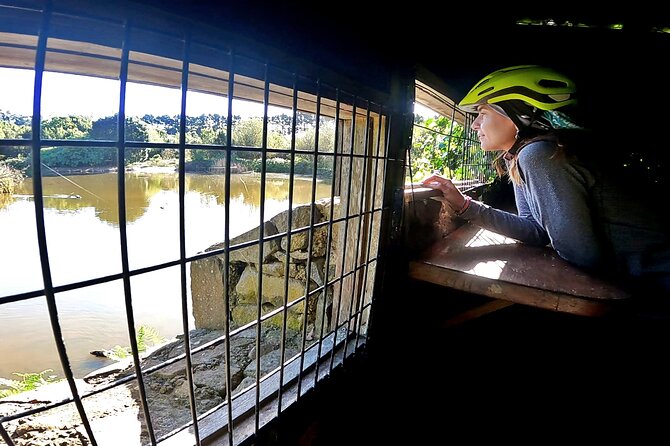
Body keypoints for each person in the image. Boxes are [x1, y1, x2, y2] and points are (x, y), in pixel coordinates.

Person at [421, 64, 669, 295]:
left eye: (482, 113)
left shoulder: (537, 154)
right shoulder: (519, 157)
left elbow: (581, 254)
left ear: (519, 116)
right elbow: (535, 230)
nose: (475, 125)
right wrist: (465, 205)